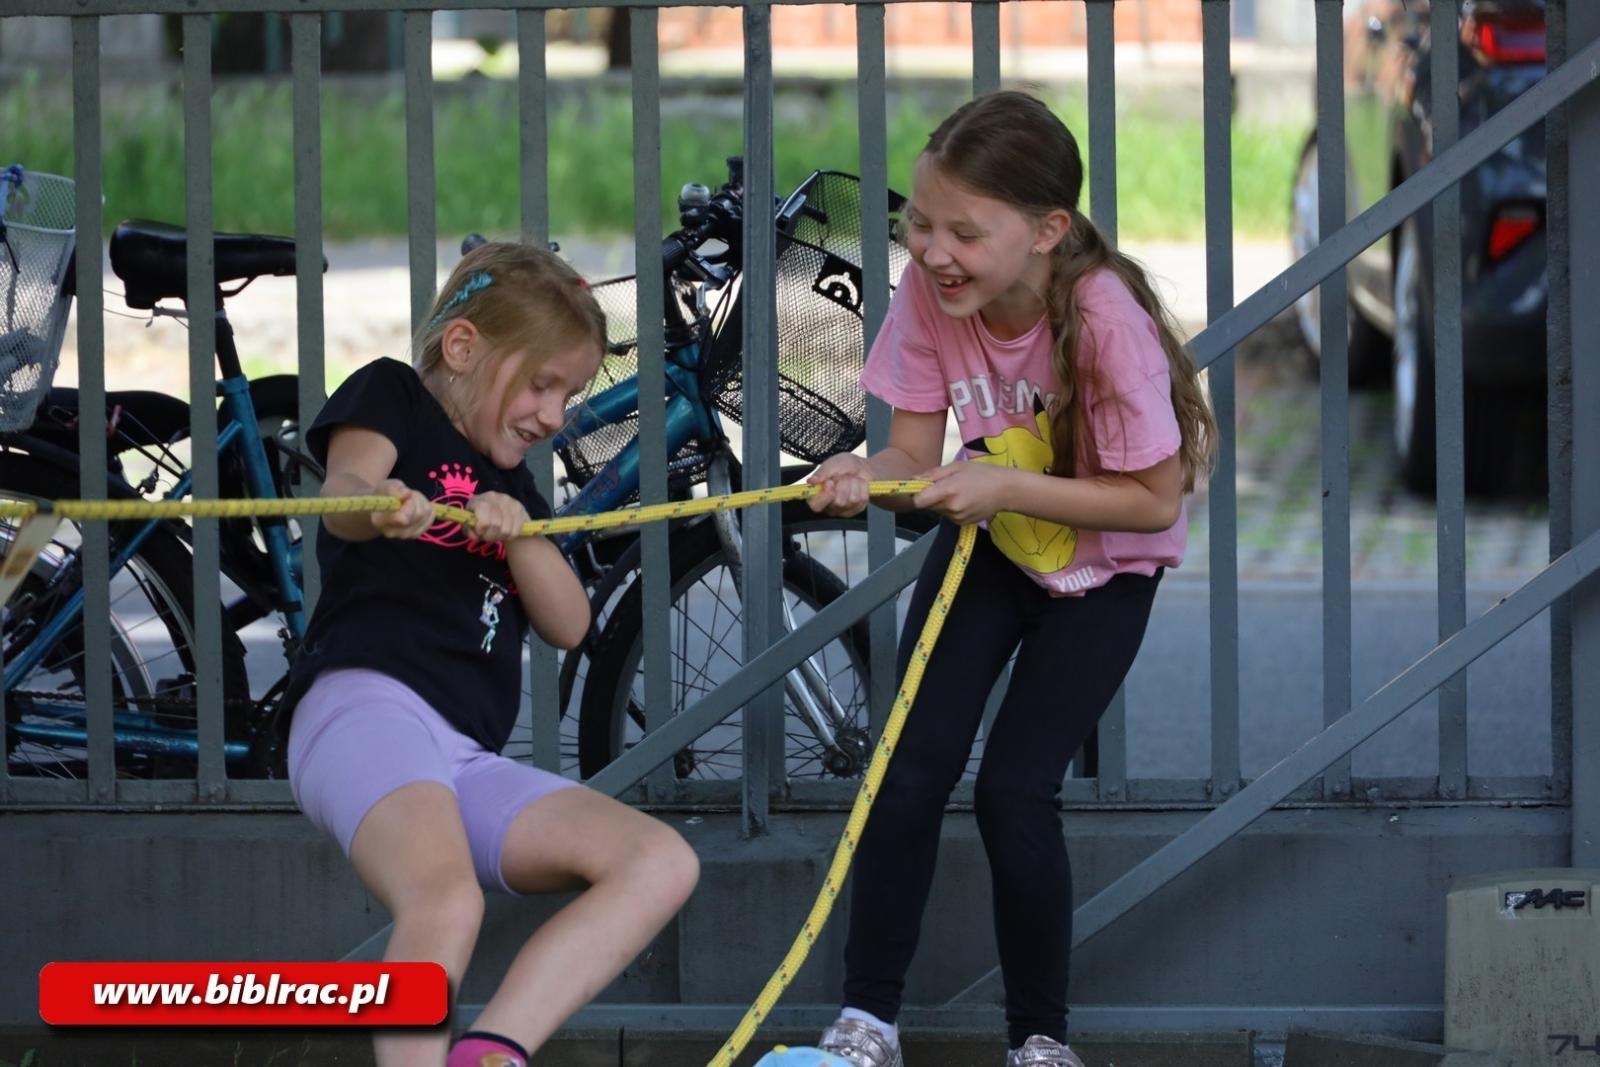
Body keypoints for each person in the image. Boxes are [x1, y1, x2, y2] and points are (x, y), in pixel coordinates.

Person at [806, 91, 1217, 1067]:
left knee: (1012, 789)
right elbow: (910, 453)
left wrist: (1004, 479)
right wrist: (867, 475)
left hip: (1106, 566)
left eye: (963, 231)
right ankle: (868, 1021)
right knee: (905, 773)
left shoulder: (1103, 319)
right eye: (919, 221)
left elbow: (1154, 501)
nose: (932, 249)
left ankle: (1040, 1038)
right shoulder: (926, 293)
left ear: (1045, 231)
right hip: (994, 538)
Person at [282, 243, 700, 1067]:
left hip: (460, 756)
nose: (556, 414)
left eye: (570, 393)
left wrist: (520, 537)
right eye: (542, 383)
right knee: (445, 902)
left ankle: (493, 1054)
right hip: (363, 710)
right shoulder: (394, 394)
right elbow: (341, 499)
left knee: (658, 860)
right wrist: (385, 505)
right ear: (465, 347)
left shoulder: (514, 488)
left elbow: (572, 624)